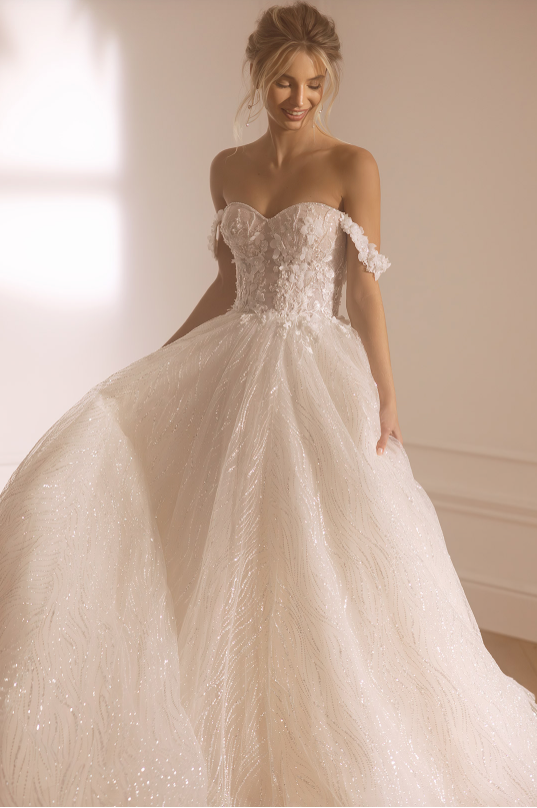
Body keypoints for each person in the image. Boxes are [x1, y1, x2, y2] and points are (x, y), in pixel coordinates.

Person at [0, 2, 536, 806]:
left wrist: (387, 396)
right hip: (233, 366)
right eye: (284, 81)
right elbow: (227, 282)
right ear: (258, 77)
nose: (299, 97)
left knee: (321, 546)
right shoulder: (225, 167)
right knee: (214, 534)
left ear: (329, 83)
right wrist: (166, 353)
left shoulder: (354, 164)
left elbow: (360, 289)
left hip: (315, 373)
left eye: (314, 83)